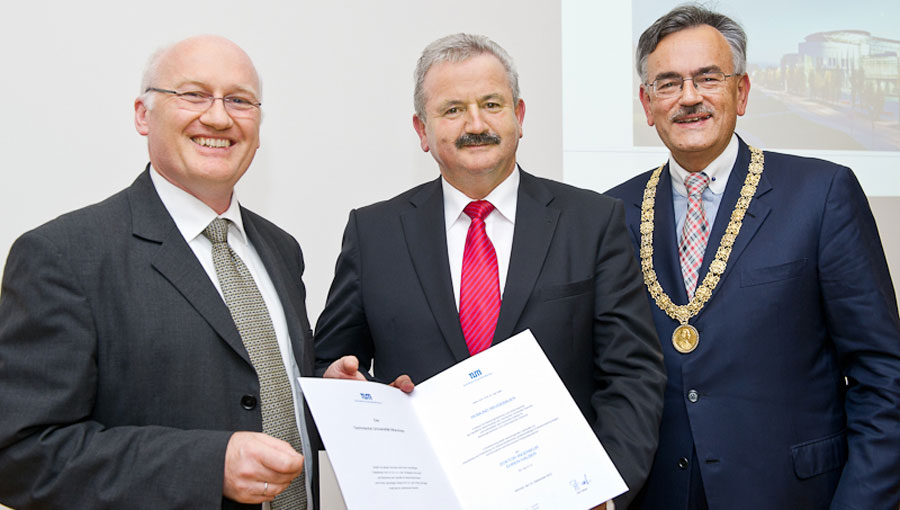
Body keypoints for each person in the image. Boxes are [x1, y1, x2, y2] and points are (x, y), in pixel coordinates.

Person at [314, 33, 666, 508]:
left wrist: (604, 492)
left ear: (519, 117)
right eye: (452, 109)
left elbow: (632, 375)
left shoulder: (592, 222)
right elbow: (330, 369)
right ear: (422, 130)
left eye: (492, 104)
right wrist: (347, 390)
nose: (475, 124)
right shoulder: (373, 233)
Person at [0, 35, 318, 509]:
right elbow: (21, 456)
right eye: (192, 94)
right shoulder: (63, 255)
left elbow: (265, 391)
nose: (218, 116)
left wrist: (339, 396)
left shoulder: (280, 249)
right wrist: (209, 466)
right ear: (142, 115)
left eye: (239, 100)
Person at [606, 5, 900, 509]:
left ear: (741, 92)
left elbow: (883, 377)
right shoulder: (611, 213)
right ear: (647, 102)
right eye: (669, 83)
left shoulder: (821, 194)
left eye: (708, 78)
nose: (689, 97)